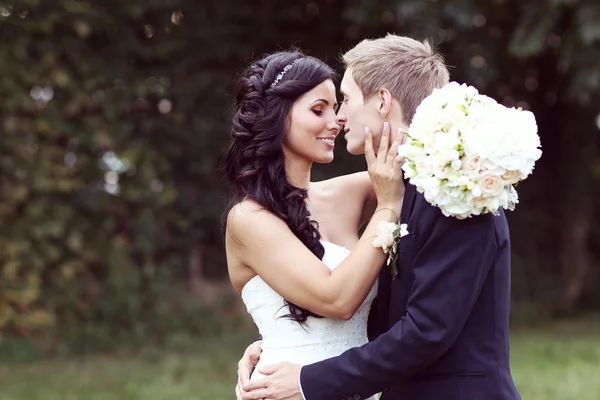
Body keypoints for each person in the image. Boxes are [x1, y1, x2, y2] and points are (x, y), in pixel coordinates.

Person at [237, 35, 521, 400]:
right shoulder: (399, 188)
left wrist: (309, 381)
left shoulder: (457, 189)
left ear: (383, 101)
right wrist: (279, 344)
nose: (339, 117)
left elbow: (427, 330)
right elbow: (382, 317)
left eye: (346, 100)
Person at [222, 50, 406, 400]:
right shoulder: (248, 220)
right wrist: (388, 207)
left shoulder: (347, 194)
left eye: (337, 107)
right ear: (278, 117)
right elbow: (336, 299)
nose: (336, 120)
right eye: (318, 109)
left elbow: (415, 167)